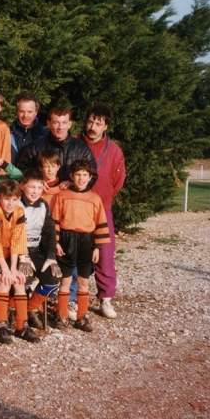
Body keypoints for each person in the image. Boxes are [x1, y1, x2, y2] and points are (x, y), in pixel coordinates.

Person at [77, 105, 126, 318]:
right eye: (90, 121)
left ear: (106, 126)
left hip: (102, 209)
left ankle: (105, 298)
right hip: (77, 206)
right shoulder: (75, 142)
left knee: (105, 254)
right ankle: (72, 299)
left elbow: (118, 181)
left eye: (98, 123)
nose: (92, 127)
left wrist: (101, 198)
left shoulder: (114, 150)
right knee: (75, 253)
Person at [52, 159, 109, 332]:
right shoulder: (62, 196)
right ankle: (61, 314)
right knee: (66, 280)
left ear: (90, 177)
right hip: (67, 240)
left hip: (86, 241)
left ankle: (81, 316)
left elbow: (100, 224)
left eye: (85, 175)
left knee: (84, 281)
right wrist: (55, 242)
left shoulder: (95, 199)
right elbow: (54, 220)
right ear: (71, 176)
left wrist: (97, 248)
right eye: (78, 175)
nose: (81, 179)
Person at [0, 180, 39, 344]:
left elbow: (17, 241)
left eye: (14, 199)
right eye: (6, 199)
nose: (10, 203)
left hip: (6, 256)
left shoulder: (19, 212)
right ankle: (1, 326)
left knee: (19, 281)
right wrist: (6, 271)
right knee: (5, 281)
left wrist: (13, 268)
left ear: (18, 198)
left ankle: (22, 326)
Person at [18, 168, 62, 330]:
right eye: (31, 187)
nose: (35, 192)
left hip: (36, 250)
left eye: (38, 187)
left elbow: (49, 231)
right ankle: (15, 313)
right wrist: (22, 255)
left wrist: (51, 256)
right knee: (24, 278)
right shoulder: (15, 203)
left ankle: (30, 308)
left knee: (53, 279)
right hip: (18, 251)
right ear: (22, 186)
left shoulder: (44, 205)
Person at [16, 106, 97, 189]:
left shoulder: (81, 148)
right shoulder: (35, 147)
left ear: (70, 124)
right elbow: (22, 171)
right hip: (42, 196)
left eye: (64, 123)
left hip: (70, 197)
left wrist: (75, 184)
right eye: (56, 122)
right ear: (48, 124)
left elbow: (92, 174)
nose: (60, 127)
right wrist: (36, 182)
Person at [9, 92, 48, 164]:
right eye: (22, 111)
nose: (25, 115)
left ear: (36, 112)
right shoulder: (7, 133)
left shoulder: (45, 135)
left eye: (29, 112)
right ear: (17, 112)